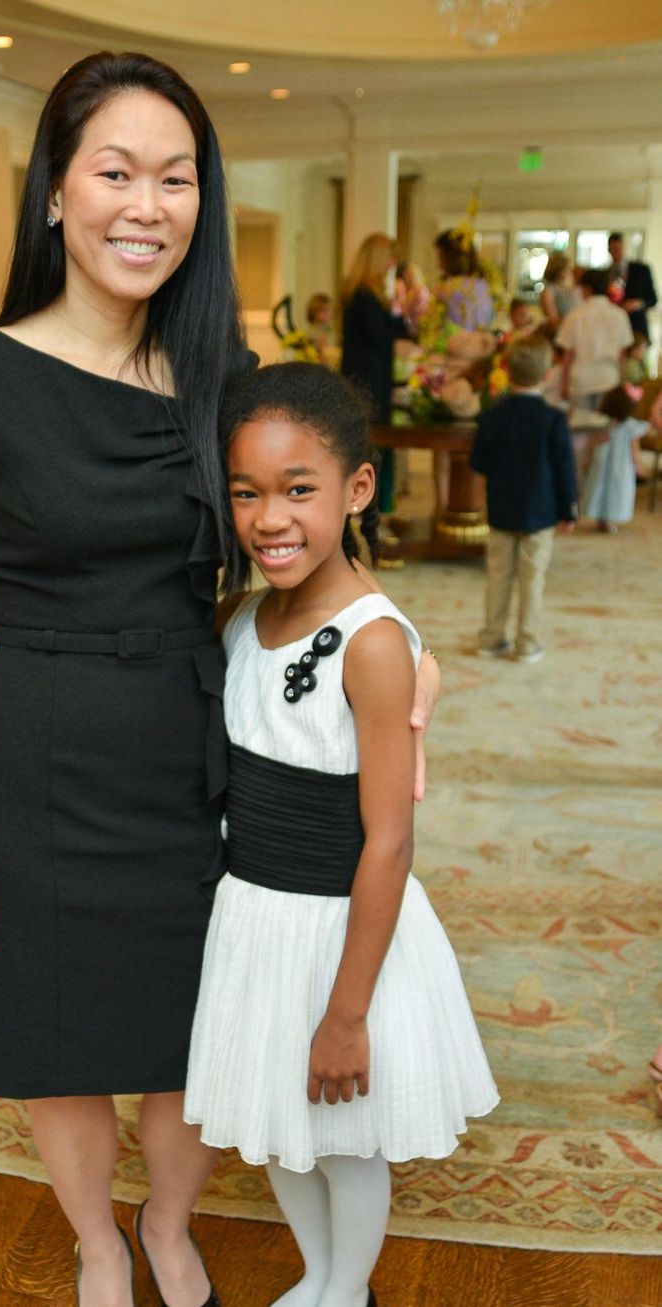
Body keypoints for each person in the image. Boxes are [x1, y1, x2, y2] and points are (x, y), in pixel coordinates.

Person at [0, 49, 443, 1307]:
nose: (146, 206)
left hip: (193, 747)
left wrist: (405, 649)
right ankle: (97, 1239)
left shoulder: (219, 386)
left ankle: (167, 1219)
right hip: (33, 747)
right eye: (115, 173)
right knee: (54, 1029)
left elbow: (309, 546)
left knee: (200, 1013)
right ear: (54, 190)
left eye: (176, 177)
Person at [182, 363, 498, 1307]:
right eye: (246, 493)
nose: (269, 518)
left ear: (358, 488)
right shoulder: (244, 616)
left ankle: (348, 1286)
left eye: (298, 489)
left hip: (340, 931)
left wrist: (348, 1011)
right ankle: (321, 1276)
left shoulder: (372, 642)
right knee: (281, 1123)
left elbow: (389, 840)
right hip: (256, 920)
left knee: (345, 1138)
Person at [471, 335, 578, 665]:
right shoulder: (553, 419)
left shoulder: (492, 415)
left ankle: (491, 638)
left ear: (506, 370)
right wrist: (569, 509)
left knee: (498, 575)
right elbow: (564, 469)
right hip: (540, 513)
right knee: (533, 579)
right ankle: (527, 643)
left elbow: (479, 462)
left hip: (501, 509)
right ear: (548, 375)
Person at [339, 233, 408, 513]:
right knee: (373, 444)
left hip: (372, 378)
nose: (393, 263)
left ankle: (378, 506)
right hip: (367, 382)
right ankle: (372, 508)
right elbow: (381, 336)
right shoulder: (363, 296)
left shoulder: (370, 294)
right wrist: (400, 314)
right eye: (390, 257)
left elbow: (394, 330)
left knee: (377, 443)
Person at [556, 268, 633, 412]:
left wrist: (563, 384)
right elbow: (622, 355)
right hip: (608, 379)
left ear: (587, 289)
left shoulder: (575, 315)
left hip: (581, 380)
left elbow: (568, 356)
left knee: (580, 424)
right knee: (604, 424)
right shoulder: (620, 315)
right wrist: (620, 380)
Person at [581, 382, 650, 533]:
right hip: (621, 466)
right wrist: (637, 465)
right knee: (616, 491)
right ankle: (609, 520)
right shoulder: (630, 426)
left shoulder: (604, 423)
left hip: (601, 463)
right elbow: (634, 448)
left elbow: (592, 443)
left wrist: (588, 460)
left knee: (600, 488)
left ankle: (602, 519)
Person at [433, 229, 494, 331]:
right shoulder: (484, 285)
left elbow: (435, 325)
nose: (439, 264)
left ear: (452, 257)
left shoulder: (446, 288)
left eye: (441, 257)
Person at [606, 231, 657, 340]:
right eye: (614, 248)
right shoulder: (605, 274)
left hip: (636, 327)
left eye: (619, 247)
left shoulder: (641, 270)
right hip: (613, 328)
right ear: (609, 250)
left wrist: (638, 304)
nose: (617, 251)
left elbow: (653, 299)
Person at [539, 251, 577, 329]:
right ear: (558, 269)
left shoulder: (567, 287)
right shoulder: (549, 290)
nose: (570, 271)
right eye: (566, 268)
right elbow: (553, 320)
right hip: (560, 331)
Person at [306, 292, 336, 359]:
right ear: (313, 313)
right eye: (324, 311)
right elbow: (324, 352)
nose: (329, 313)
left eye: (330, 309)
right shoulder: (314, 331)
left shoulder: (328, 329)